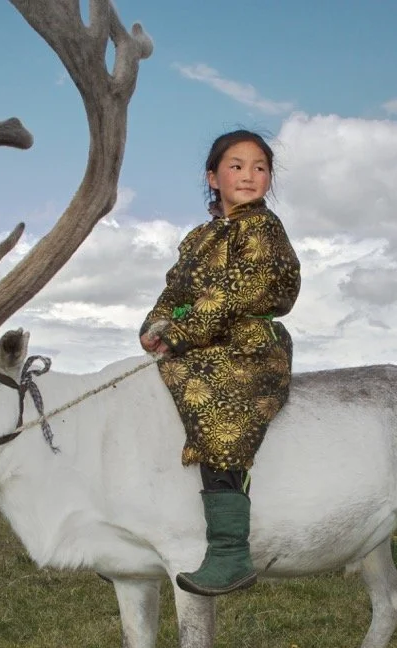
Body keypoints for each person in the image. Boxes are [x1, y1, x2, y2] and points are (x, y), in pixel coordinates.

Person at [139, 130, 301, 596]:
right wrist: (155, 325)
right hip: (201, 343)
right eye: (236, 166)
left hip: (250, 346)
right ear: (213, 177)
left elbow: (237, 294)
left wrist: (181, 333)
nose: (249, 175)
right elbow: (175, 291)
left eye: (260, 168)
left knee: (220, 409)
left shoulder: (262, 229)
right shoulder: (199, 238)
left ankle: (230, 551)